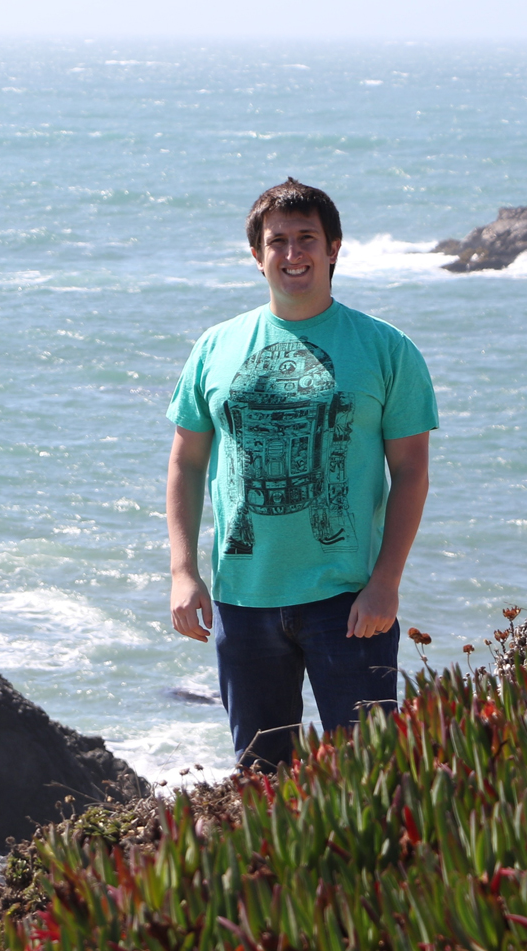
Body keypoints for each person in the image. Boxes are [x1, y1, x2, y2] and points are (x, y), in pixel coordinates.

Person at [166, 178, 436, 771]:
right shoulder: (216, 347)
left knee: (371, 775)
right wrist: (184, 571)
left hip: (349, 601)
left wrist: (386, 581)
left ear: (334, 247)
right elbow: (187, 461)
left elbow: (410, 472)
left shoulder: (387, 349)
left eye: (306, 238)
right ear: (257, 256)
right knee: (262, 779)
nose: (293, 254)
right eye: (277, 241)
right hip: (243, 599)